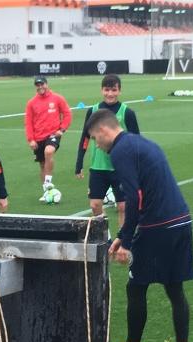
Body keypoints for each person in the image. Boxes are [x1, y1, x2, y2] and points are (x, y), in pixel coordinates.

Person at [85, 109, 193, 342]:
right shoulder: (141, 143)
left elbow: (134, 198)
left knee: (136, 287)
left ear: (103, 131)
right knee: (174, 287)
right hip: (181, 220)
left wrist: (127, 240)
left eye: (94, 139)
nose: (97, 146)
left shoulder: (121, 151)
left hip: (159, 226)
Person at [75, 74, 139, 233]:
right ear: (101, 90)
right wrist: (79, 162)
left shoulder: (127, 113)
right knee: (95, 205)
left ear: (119, 91)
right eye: (107, 90)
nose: (110, 94)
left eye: (114, 90)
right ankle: (107, 238)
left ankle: (124, 241)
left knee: (124, 207)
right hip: (98, 167)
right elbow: (85, 137)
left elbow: (137, 141)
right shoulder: (93, 111)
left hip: (121, 168)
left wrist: (136, 167)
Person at [24, 76, 72, 201]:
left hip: (53, 135)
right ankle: (46, 192)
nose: (40, 87)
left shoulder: (57, 98)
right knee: (42, 164)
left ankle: (48, 181)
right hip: (38, 137)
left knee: (49, 152)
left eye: (42, 84)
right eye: (37, 85)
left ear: (47, 84)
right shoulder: (31, 103)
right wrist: (31, 139)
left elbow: (67, 114)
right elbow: (28, 122)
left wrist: (62, 129)